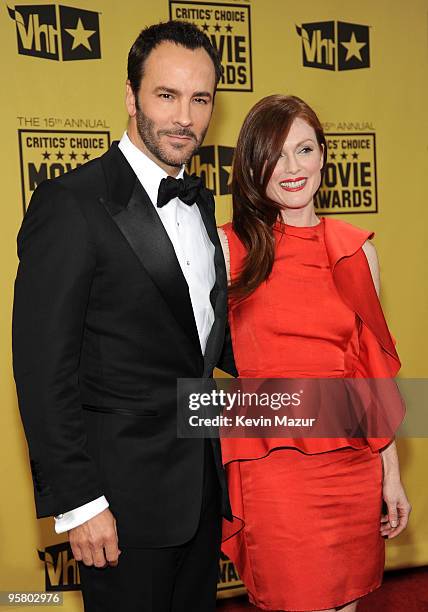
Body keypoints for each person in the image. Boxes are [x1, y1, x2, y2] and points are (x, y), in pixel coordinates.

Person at [12, 20, 236, 612]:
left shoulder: (205, 202)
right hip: (119, 509)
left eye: (200, 98)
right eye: (166, 95)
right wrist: (82, 503)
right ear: (131, 97)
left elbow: (201, 346)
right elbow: (42, 373)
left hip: (200, 494)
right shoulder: (72, 204)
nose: (184, 117)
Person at [218, 94, 411, 612]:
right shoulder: (227, 249)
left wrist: (391, 474)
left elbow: (370, 372)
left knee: (347, 602)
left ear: (324, 155)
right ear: (253, 166)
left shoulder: (355, 249)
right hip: (273, 467)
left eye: (304, 150)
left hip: (351, 465)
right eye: (275, 155)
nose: (292, 168)